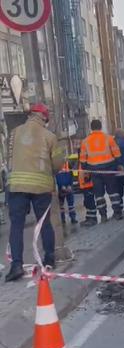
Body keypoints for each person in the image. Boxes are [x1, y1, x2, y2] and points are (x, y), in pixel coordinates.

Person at [5, 104, 65, 282]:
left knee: (16, 226)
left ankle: (16, 265)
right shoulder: (50, 137)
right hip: (41, 187)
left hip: (16, 186)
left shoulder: (14, 133)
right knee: (44, 223)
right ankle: (48, 259)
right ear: (44, 118)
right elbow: (57, 164)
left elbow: (8, 157)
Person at [79, 120, 124, 222]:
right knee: (113, 192)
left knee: (99, 195)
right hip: (109, 169)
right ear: (101, 127)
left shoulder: (85, 141)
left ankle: (103, 216)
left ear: (91, 128)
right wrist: (119, 164)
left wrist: (86, 169)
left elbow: (82, 159)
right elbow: (117, 153)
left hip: (95, 171)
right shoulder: (109, 138)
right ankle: (117, 213)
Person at [78, 161, 98, 227]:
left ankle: (93, 219)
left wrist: (87, 179)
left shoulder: (85, 157)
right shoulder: (81, 158)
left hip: (88, 184)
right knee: (87, 202)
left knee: (90, 202)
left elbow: (88, 169)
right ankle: (89, 218)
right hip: (85, 184)